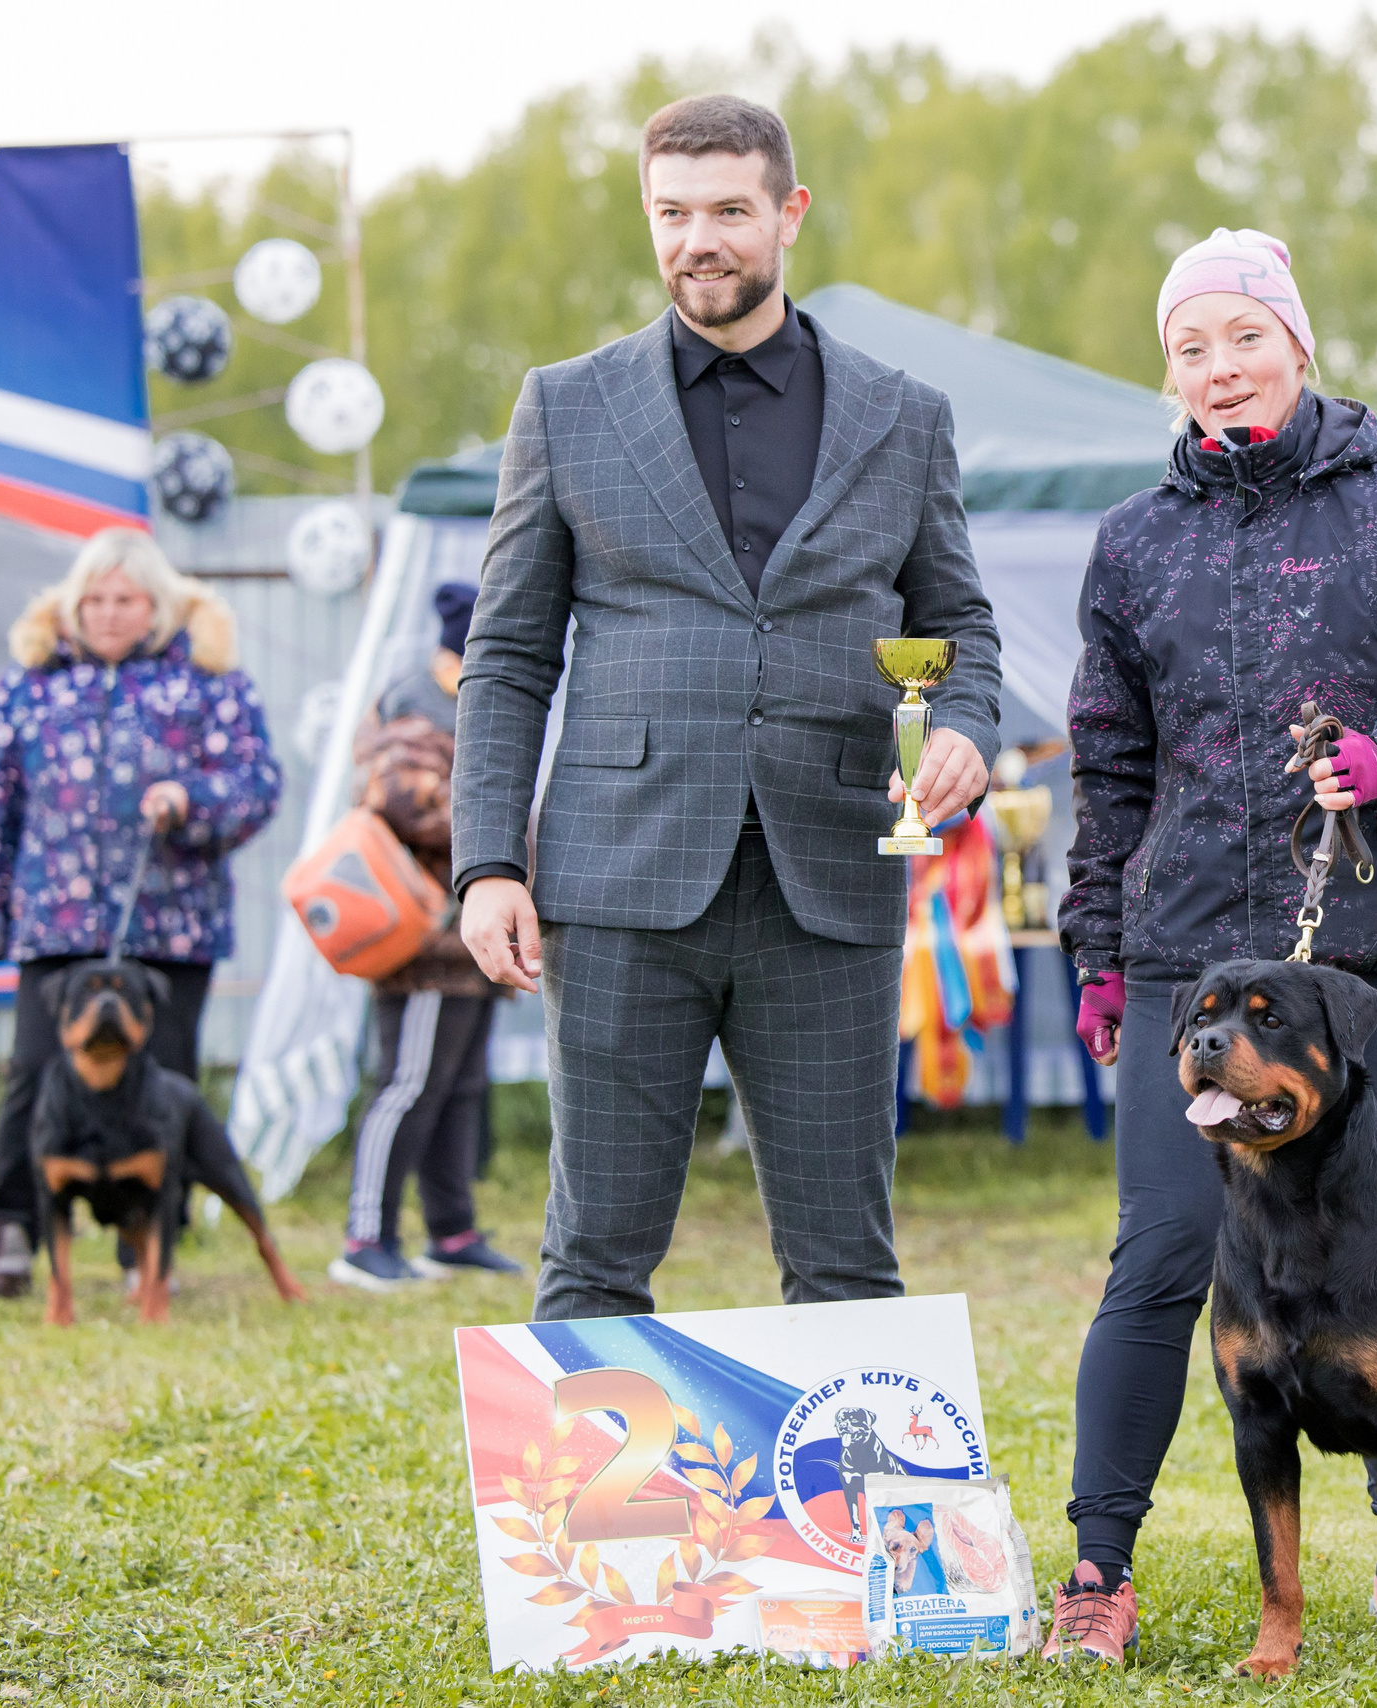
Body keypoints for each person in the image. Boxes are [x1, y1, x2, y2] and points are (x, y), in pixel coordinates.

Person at [1048, 227, 1377, 1664]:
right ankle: (1096, 1571)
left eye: (1243, 338)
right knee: (1162, 1255)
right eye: (1190, 348)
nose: (1220, 369)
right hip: (1184, 958)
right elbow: (1107, 763)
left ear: (1299, 345)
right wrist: (1096, 948)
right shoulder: (1132, 541)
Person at [449, 94, 1001, 1321]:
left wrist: (961, 721)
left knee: (847, 1264)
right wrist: (487, 860)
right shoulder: (565, 405)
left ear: (789, 215)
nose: (700, 239)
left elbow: (957, 623)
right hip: (614, 885)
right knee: (594, 1256)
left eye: (730, 211)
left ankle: (870, 1520)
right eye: (673, 213)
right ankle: (588, 1520)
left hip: (830, 879)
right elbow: (507, 654)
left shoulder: (903, 416)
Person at [0, 527, 281, 1299]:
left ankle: (148, 1254)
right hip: (55, 925)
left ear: (157, 605)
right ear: (69, 605)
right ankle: (8, 1236)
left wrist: (190, 798)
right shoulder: (31, 683)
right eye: (91, 599)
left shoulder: (208, 681)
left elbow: (257, 783)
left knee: (164, 1083)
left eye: (124, 598)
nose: (105, 613)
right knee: (34, 1075)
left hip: (172, 928)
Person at [329, 582, 521, 1292]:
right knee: (408, 1085)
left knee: (461, 1087)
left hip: (466, 934)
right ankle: (364, 1237)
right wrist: (510, 825)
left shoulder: (474, 699)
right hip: (422, 942)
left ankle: (452, 1232)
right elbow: (400, 800)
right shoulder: (416, 705)